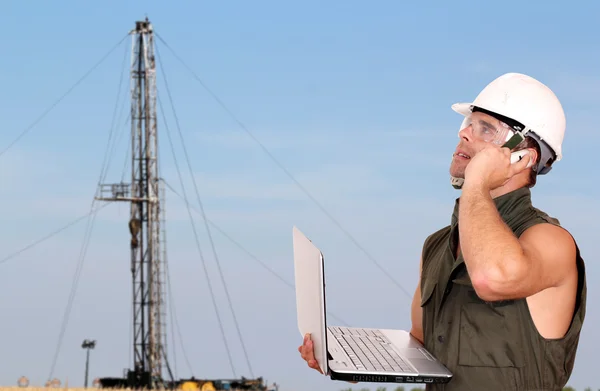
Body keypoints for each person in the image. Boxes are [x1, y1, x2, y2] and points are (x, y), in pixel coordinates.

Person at [297, 72, 587, 390]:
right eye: (468, 124)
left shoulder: (550, 241)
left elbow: (491, 278)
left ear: (522, 158)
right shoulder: (437, 246)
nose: (464, 134)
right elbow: (421, 345)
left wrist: (477, 180)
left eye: (485, 129)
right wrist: (348, 361)